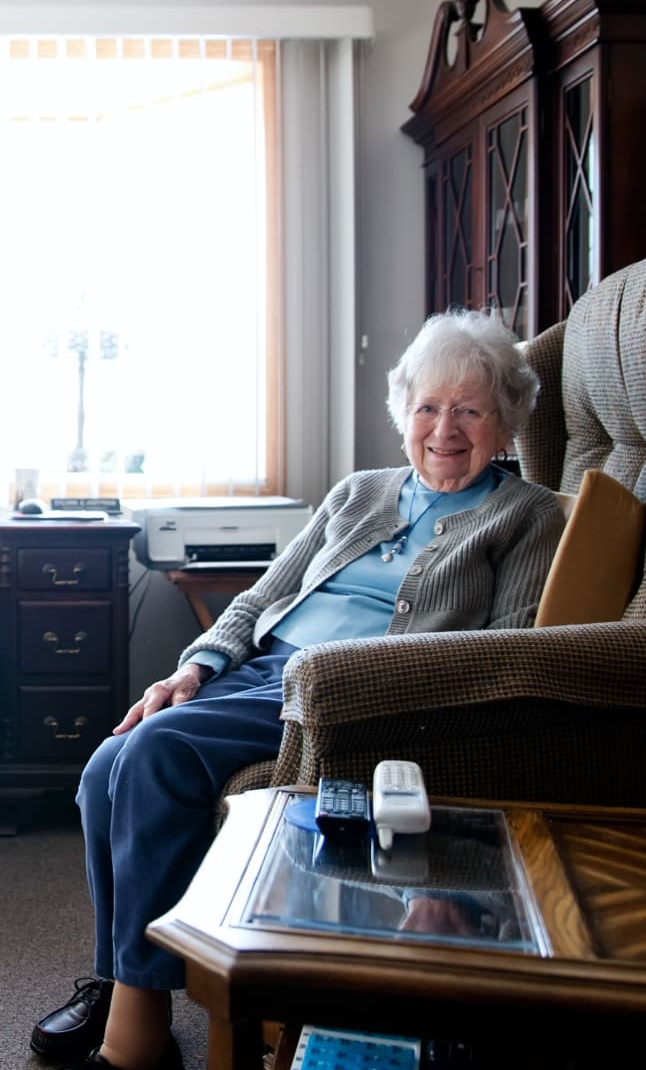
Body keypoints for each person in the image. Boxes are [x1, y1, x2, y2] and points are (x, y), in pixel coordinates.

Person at [29, 308, 565, 1070]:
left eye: (470, 409)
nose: (445, 428)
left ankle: (136, 1032)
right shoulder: (357, 493)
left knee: (151, 759)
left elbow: (501, 652)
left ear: (505, 421)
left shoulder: (527, 515)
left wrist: (357, 671)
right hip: (257, 672)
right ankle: (123, 981)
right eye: (427, 407)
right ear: (403, 414)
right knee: (103, 770)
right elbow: (256, 602)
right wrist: (191, 668)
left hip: (346, 692)